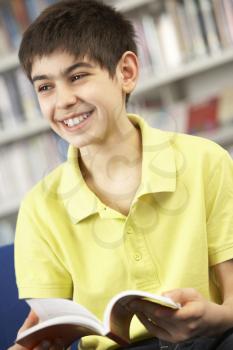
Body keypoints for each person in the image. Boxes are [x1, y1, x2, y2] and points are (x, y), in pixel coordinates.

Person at [9, 0, 233, 349]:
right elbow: (46, 326)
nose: (63, 100)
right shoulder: (39, 209)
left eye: (78, 76)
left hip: (213, 339)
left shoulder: (206, 161)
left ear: (126, 73)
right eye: (45, 87)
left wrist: (214, 317)